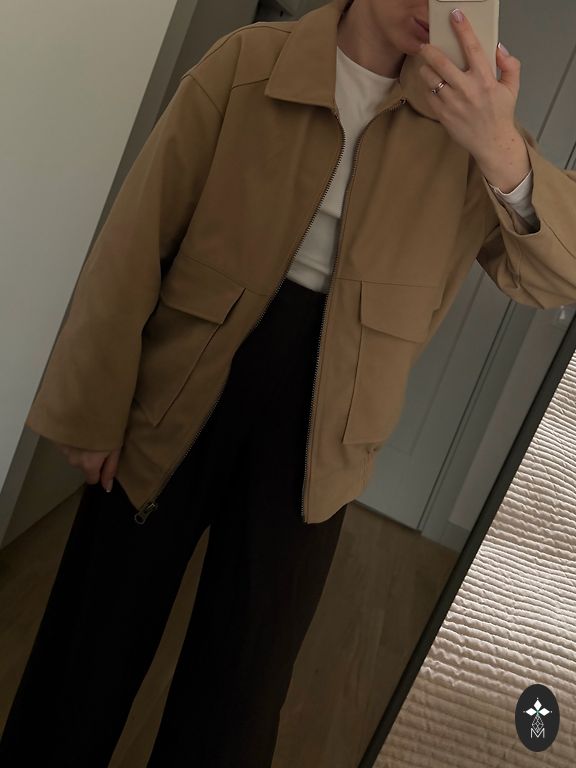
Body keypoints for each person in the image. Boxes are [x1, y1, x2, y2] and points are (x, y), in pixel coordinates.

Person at [2, 0, 576, 766]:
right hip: (177, 391)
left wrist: (499, 149)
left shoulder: (472, 129)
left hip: (329, 433)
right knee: (87, 646)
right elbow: (136, 238)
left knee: (240, 691)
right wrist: (91, 408)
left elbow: (558, 275)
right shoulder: (250, 63)